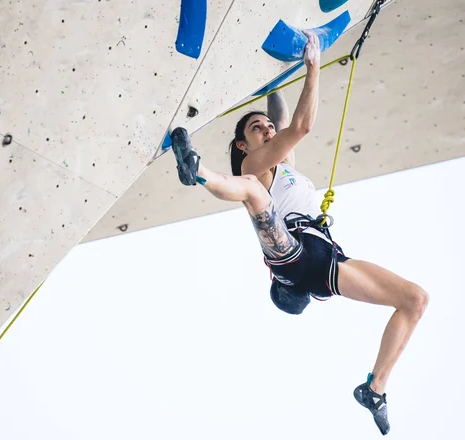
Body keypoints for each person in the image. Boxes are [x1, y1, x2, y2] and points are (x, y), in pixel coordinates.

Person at [169, 31, 428, 436]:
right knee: (253, 191)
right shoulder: (255, 163)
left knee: (415, 300)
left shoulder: (283, 163)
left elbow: (284, 121)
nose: (267, 129)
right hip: (292, 250)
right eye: (257, 129)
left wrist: (275, 82)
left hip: (317, 260)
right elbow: (301, 127)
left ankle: (375, 389)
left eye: (269, 127)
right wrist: (312, 66)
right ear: (243, 143)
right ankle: (195, 170)